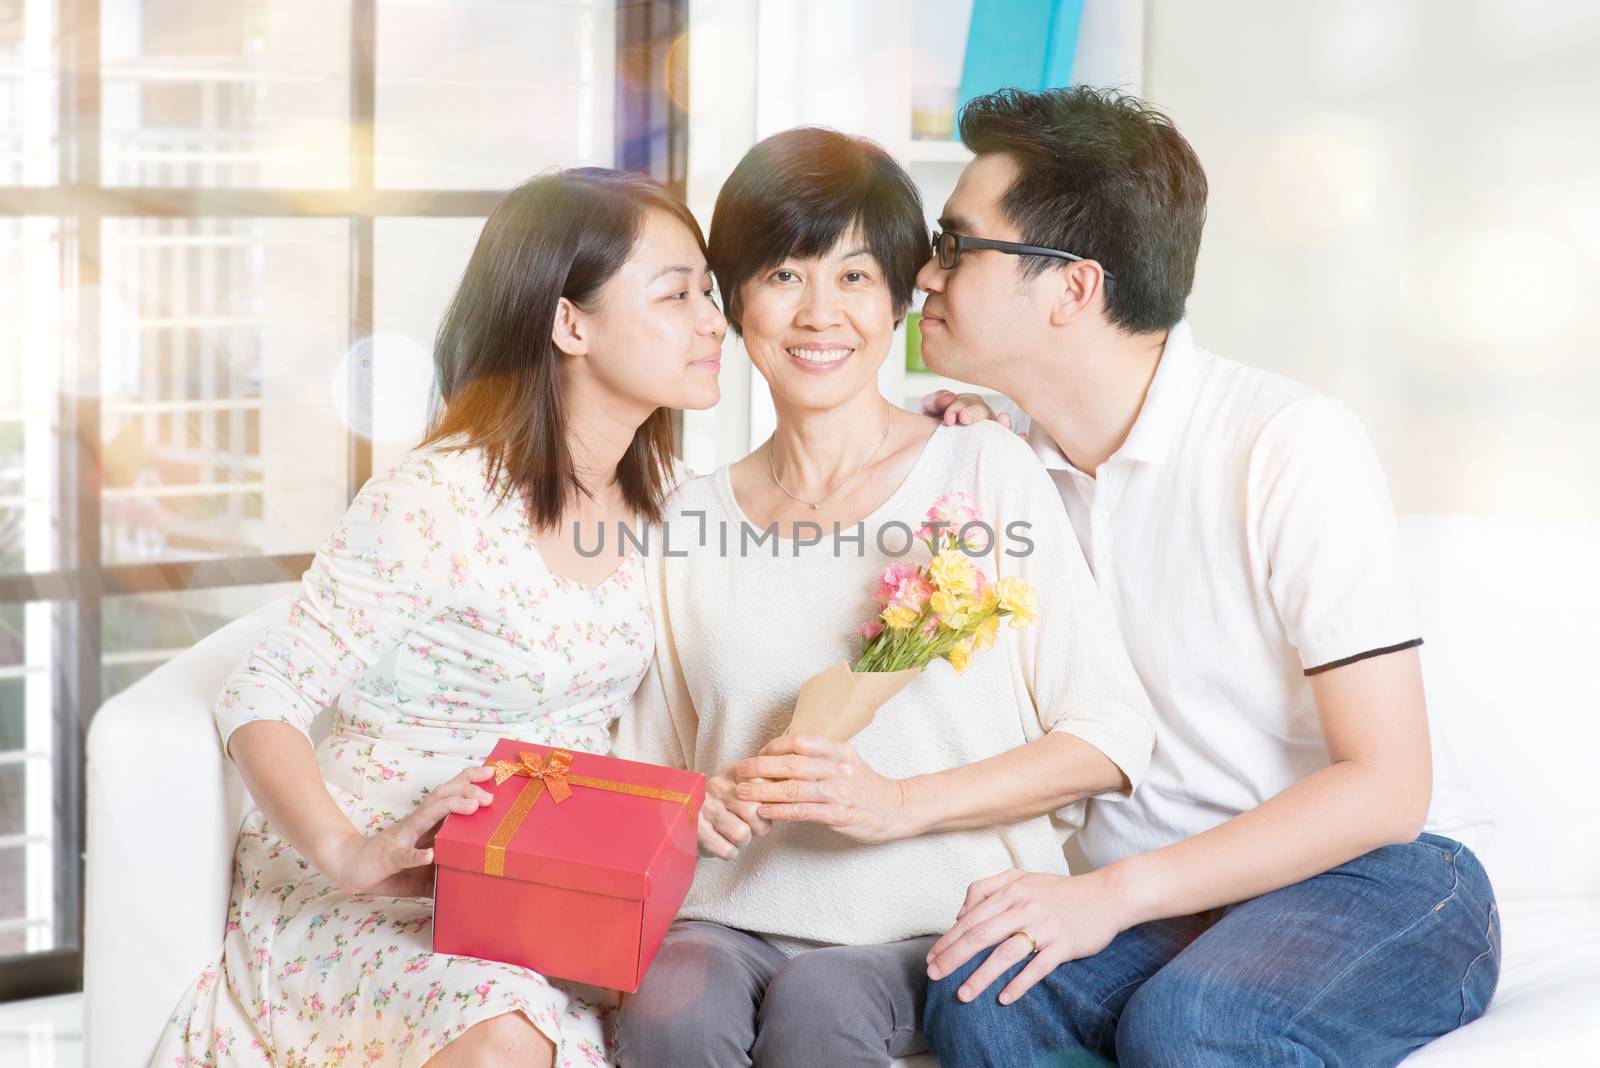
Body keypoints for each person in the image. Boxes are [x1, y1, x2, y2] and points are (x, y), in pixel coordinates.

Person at [917, 86, 1499, 1067]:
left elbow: (1388, 786)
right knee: (979, 995)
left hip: (1382, 880)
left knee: (1192, 1025)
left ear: (1069, 289)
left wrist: (1107, 896)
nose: (922, 274)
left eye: (955, 245)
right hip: (1173, 901)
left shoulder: (1284, 444)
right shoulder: (1001, 470)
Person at [151, 167, 727, 1068]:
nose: (712, 322)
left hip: (551, 885)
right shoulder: (437, 500)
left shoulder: (668, 501)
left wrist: (946, 427)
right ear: (570, 323)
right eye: (677, 293)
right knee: (498, 1036)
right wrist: (349, 851)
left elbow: (817, 521)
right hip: (386, 890)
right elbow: (261, 693)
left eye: (710, 292)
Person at [610, 127, 1154, 1068]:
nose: (820, 313)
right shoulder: (682, 521)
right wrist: (702, 805)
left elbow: (1108, 738)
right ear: (733, 303)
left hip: (933, 922)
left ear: (904, 296)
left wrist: (897, 802)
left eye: (856, 277)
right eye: (783, 275)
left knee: (822, 1005)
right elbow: (649, 775)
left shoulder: (982, 469)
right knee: (668, 1002)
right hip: (731, 915)